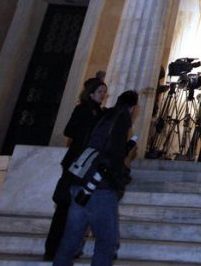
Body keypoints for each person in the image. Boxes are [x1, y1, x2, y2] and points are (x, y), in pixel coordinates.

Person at [53, 90, 138, 266]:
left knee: (71, 239)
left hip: (81, 180)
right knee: (107, 241)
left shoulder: (103, 115)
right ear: (132, 108)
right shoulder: (121, 119)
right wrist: (120, 174)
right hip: (100, 185)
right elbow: (113, 153)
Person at [44, 77, 107, 261]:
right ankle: (53, 249)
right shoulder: (83, 109)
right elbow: (69, 131)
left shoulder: (100, 112)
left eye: (104, 92)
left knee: (82, 207)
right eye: (100, 91)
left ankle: (71, 247)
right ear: (91, 93)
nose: (103, 95)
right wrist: (90, 129)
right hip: (76, 163)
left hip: (89, 164)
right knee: (65, 206)